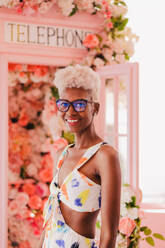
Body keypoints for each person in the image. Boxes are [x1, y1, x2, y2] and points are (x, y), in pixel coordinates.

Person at [38, 64, 121, 248]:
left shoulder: (105, 156)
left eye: (80, 104)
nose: (71, 111)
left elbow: (109, 234)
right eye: (64, 104)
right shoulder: (62, 154)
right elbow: (49, 223)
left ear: (95, 108)